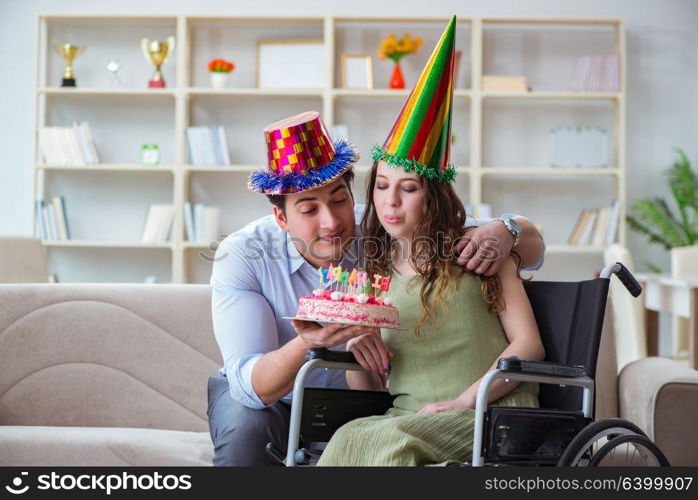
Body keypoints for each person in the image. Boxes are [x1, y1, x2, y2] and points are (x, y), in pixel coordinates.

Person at [207, 109, 546, 466]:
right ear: (281, 218)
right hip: (272, 397)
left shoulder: (386, 225)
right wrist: (310, 342)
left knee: (365, 437)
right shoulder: (244, 253)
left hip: (373, 403)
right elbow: (252, 386)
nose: (332, 222)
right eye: (308, 210)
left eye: (339, 200)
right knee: (248, 429)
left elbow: (512, 245)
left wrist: (506, 228)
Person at [316, 16, 545, 466]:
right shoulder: (374, 272)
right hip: (409, 417)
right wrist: (358, 346)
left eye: (409, 187)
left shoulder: (479, 252)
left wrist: (463, 402)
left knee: (388, 441)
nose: (391, 202)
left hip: (489, 413)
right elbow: (376, 387)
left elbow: (528, 348)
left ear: (434, 194)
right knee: (351, 436)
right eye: (382, 186)